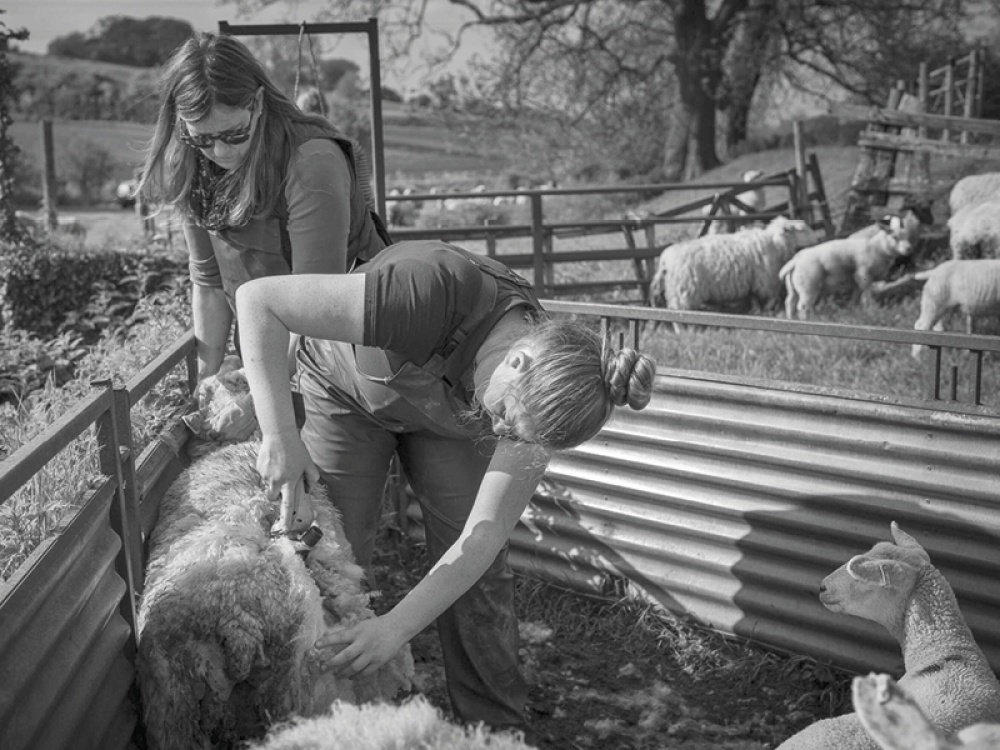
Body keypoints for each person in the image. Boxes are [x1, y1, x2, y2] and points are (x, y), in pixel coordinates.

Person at [234, 239, 657, 742]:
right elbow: (258, 300)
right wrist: (281, 437)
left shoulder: (542, 402)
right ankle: (325, 723)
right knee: (331, 559)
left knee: (477, 574)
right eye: (507, 419)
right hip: (345, 392)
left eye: (519, 435)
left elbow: (482, 534)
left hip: (452, 416)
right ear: (518, 361)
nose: (504, 435)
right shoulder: (422, 291)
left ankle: (495, 732)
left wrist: (396, 627)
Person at [137, 31, 390, 382]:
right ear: (182, 122)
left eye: (234, 134)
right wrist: (205, 382)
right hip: (268, 352)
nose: (221, 152)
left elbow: (315, 303)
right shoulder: (190, 164)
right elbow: (209, 285)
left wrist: (261, 392)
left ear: (256, 104)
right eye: (203, 138)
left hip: (353, 355)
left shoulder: (311, 161)